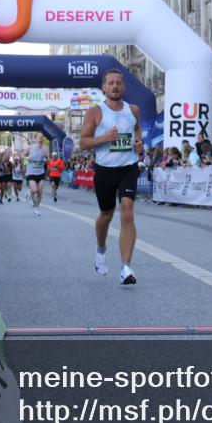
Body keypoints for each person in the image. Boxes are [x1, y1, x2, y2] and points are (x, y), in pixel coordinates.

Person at [80, 68, 146, 285]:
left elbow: (137, 132)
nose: (115, 86)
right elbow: (83, 142)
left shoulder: (133, 110)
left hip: (128, 168)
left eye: (119, 82)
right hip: (105, 170)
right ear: (104, 88)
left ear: (124, 86)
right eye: (111, 83)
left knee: (127, 213)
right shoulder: (95, 112)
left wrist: (139, 144)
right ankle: (101, 248)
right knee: (106, 215)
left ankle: (126, 268)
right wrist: (104, 138)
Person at [25, 135, 49, 216]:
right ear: (35, 138)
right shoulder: (30, 147)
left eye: (42, 137)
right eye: (39, 137)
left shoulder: (45, 148)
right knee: (34, 190)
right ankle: (30, 191)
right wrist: (27, 159)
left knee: (39, 192)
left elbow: (48, 160)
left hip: (41, 172)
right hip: (31, 172)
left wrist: (46, 158)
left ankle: (36, 208)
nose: (40, 138)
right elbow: (21, 155)